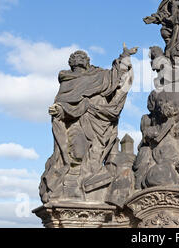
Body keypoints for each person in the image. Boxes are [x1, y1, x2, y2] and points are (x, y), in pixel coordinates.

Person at [39, 45, 137, 203]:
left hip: (99, 122)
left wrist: (124, 57)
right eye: (75, 63)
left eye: (81, 60)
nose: (78, 64)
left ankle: (86, 186)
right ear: (72, 65)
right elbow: (63, 103)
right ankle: (71, 186)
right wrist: (59, 109)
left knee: (94, 156)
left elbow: (115, 76)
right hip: (76, 124)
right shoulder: (68, 80)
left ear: (86, 62)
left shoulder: (98, 75)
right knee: (77, 153)